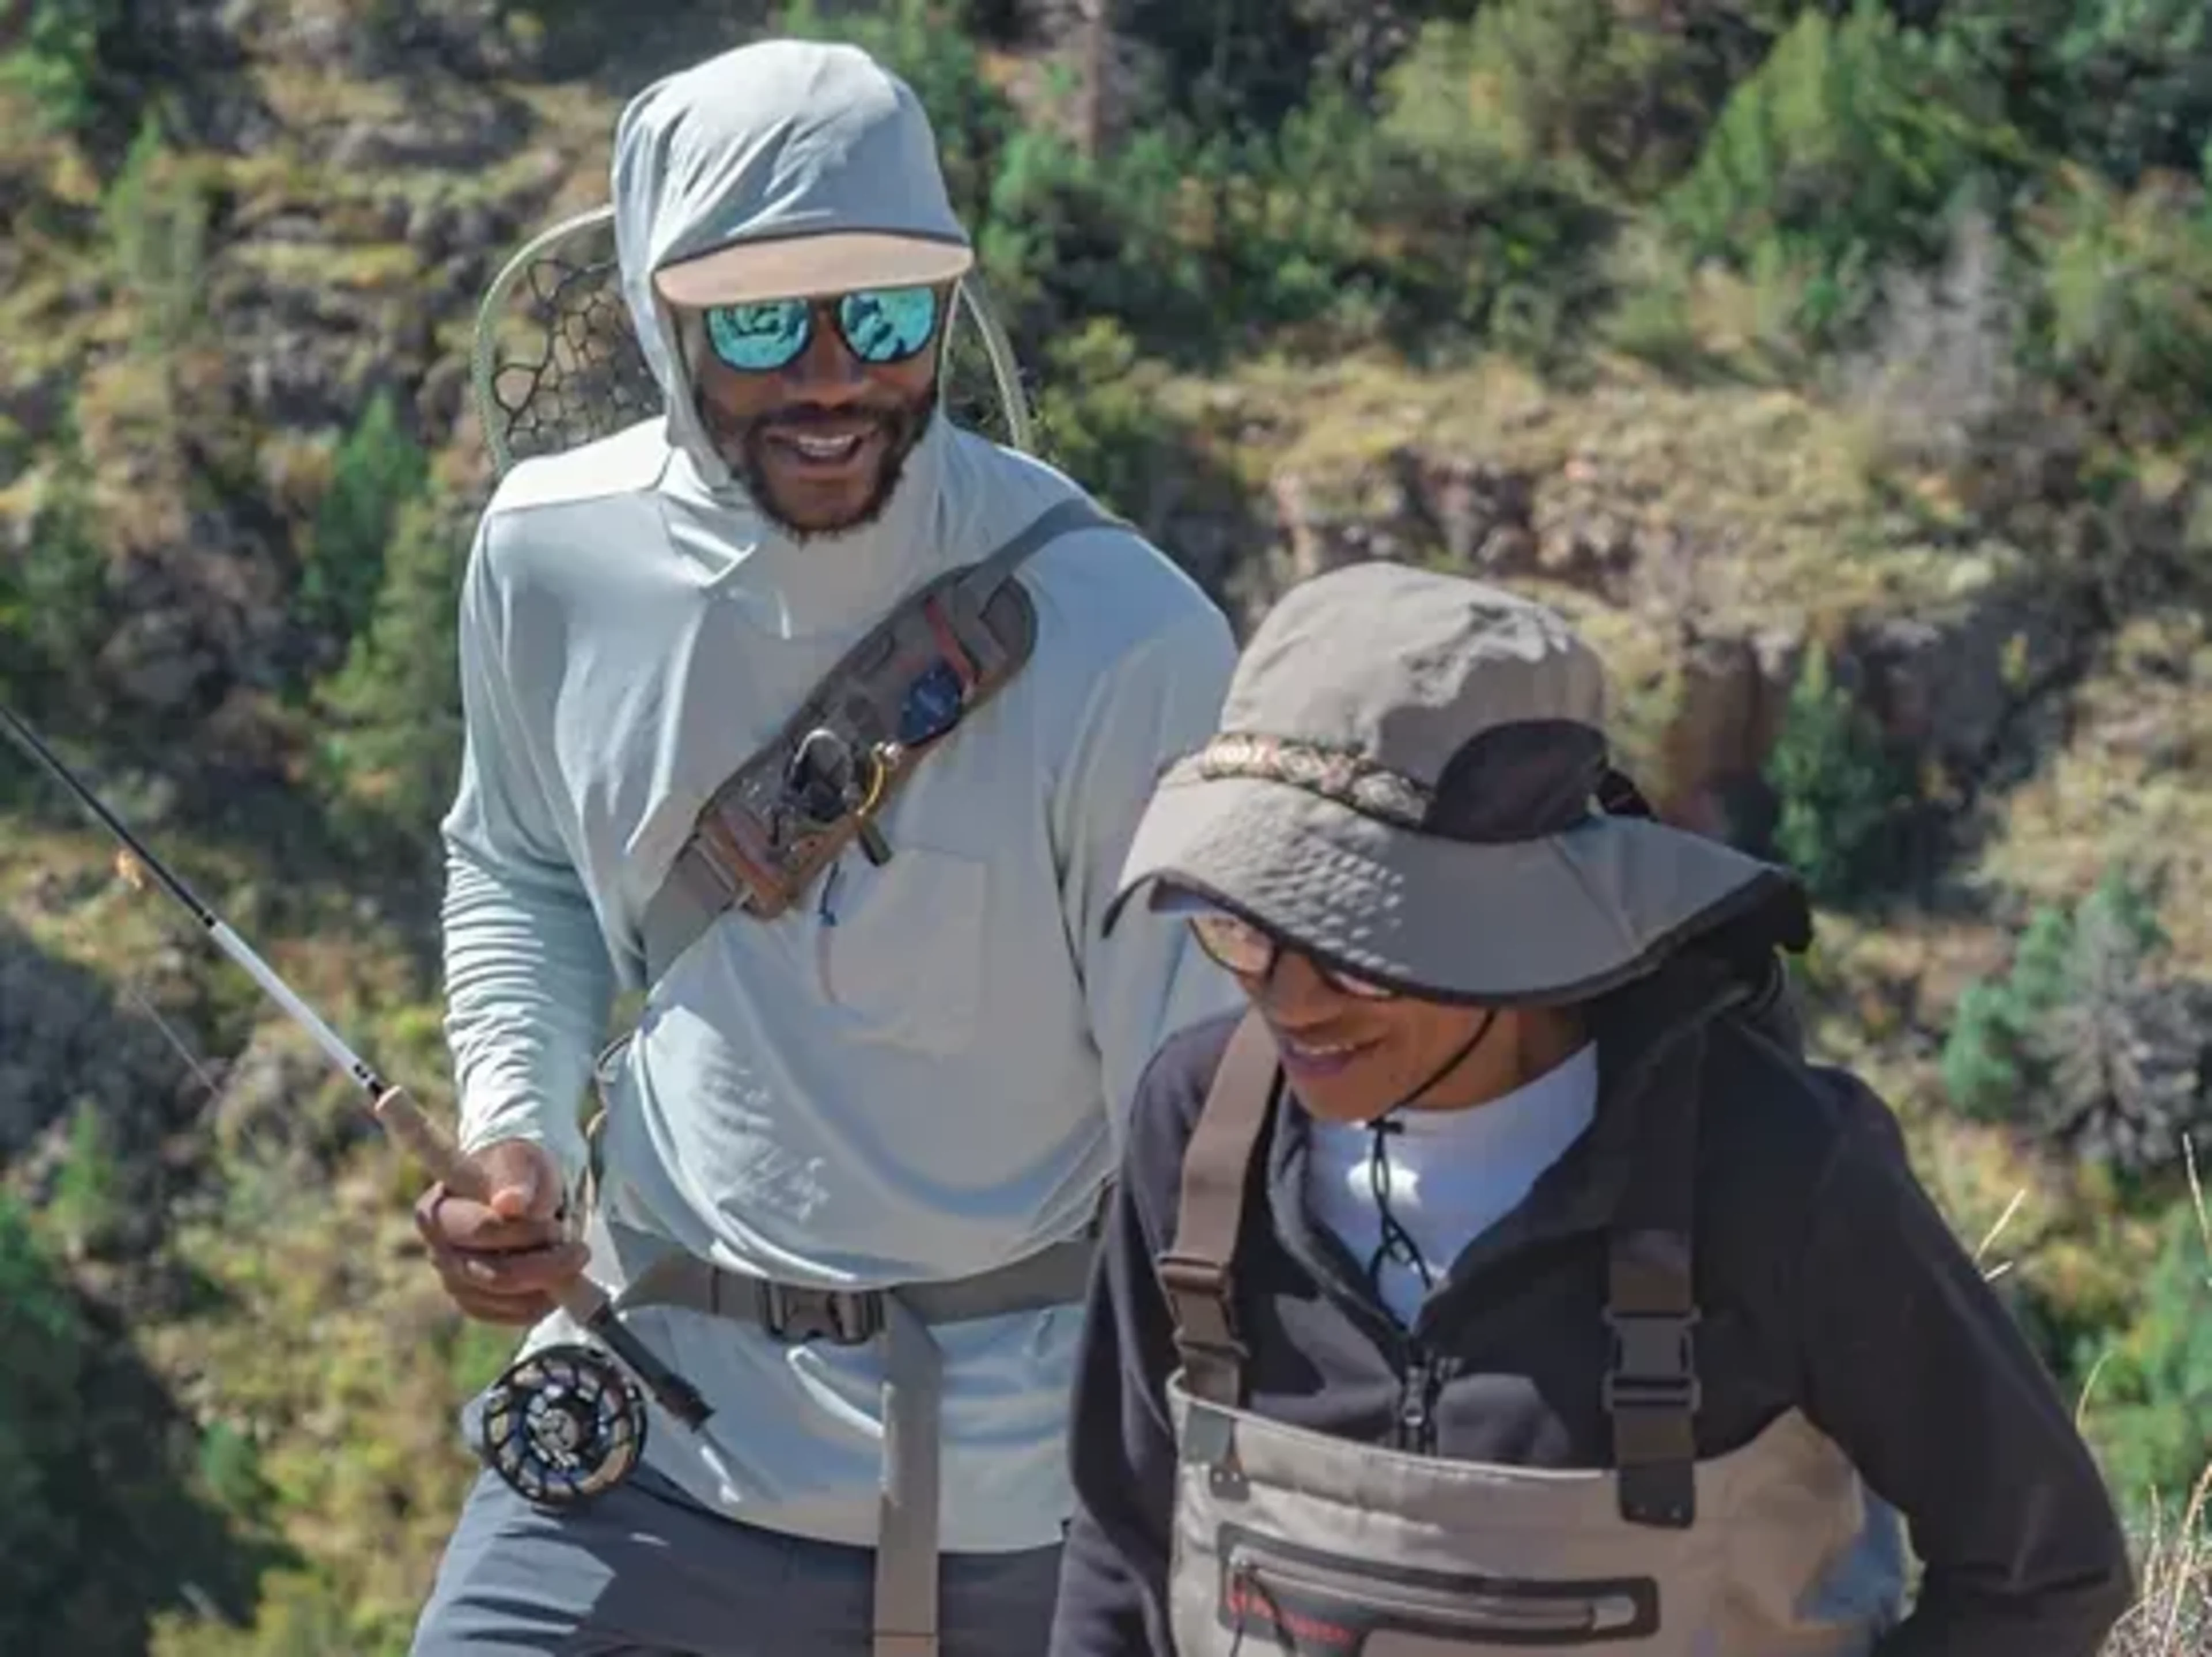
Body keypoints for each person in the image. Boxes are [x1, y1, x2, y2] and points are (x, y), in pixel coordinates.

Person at [405, 35, 1241, 1657]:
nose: (836, 376)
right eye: (766, 322)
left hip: (1025, 1496)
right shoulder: (547, 557)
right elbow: (514, 865)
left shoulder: (1125, 640)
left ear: (947, 310)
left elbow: (1194, 1135)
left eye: (885, 314)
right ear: (661, 315)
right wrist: (516, 1133)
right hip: (643, 1425)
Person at [1048, 560, 2137, 1656]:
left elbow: (2045, 1573)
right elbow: (1122, 1548)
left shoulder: (1777, 1171)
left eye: (1355, 952)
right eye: (1237, 928)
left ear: (1516, 923)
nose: (1286, 998)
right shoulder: (1200, 1136)